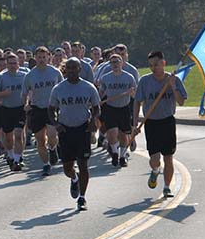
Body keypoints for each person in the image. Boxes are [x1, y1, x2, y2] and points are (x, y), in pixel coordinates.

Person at [49, 58, 100, 211]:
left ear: (80, 69)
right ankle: (74, 178)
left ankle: (82, 198)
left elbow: (96, 107)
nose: (71, 71)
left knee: (83, 164)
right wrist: (56, 124)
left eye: (74, 68)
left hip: (83, 129)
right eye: (69, 68)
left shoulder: (88, 87)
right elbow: (51, 109)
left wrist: (93, 120)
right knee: (67, 168)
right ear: (65, 69)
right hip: (66, 130)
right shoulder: (58, 89)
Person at [134, 50, 188, 198]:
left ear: (163, 63)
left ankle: (166, 187)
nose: (153, 68)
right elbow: (137, 102)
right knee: (154, 159)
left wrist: (173, 86)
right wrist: (134, 124)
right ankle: (156, 170)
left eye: (156, 64)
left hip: (167, 122)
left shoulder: (173, 80)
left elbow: (181, 101)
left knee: (168, 156)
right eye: (151, 65)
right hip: (151, 122)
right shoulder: (145, 81)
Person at [22, 46, 64, 176]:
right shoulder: (30, 75)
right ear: (35, 58)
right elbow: (25, 93)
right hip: (37, 109)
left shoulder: (55, 72)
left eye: (44, 57)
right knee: (40, 139)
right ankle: (46, 164)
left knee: (52, 135)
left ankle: (52, 148)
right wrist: (26, 104)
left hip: (52, 108)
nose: (41, 59)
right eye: (39, 57)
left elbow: (63, 88)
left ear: (49, 57)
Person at [0, 53, 29, 171]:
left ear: (18, 64)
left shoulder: (24, 76)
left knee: (19, 135)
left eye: (15, 63)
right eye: (10, 63)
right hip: (6, 109)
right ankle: (10, 155)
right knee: (8, 138)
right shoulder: (1, 77)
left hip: (20, 108)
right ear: (7, 65)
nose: (13, 65)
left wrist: (28, 103)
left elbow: (31, 90)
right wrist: (4, 94)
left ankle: (17, 159)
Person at [97, 54, 137, 167]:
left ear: (121, 63)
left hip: (124, 108)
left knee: (124, 135)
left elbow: (135, 94)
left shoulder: (129, 77)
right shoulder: (105, 78)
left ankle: (122, 156)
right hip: (111, 108)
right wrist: (97, 101)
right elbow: (101, 92)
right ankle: (114, 153)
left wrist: (131, 92)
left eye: (117, 62)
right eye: (112, 62)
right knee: (112, 132)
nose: (114, 64)